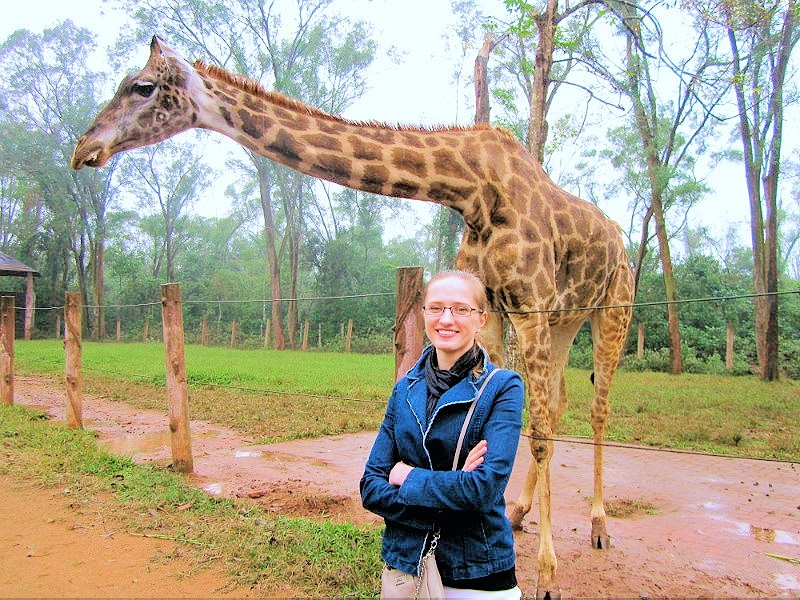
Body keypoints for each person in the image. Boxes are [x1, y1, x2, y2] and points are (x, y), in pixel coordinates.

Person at [361, 270, 524, 599]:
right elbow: (371, 486)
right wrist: (450, 492)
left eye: (461, 309)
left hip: (477, 572)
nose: (446, 319)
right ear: (424, 314)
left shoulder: (503, 388)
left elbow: (483, 489)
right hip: (408, 567)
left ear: (481, 319)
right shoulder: (404, 389)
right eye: (435, 308)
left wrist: (406, 476)